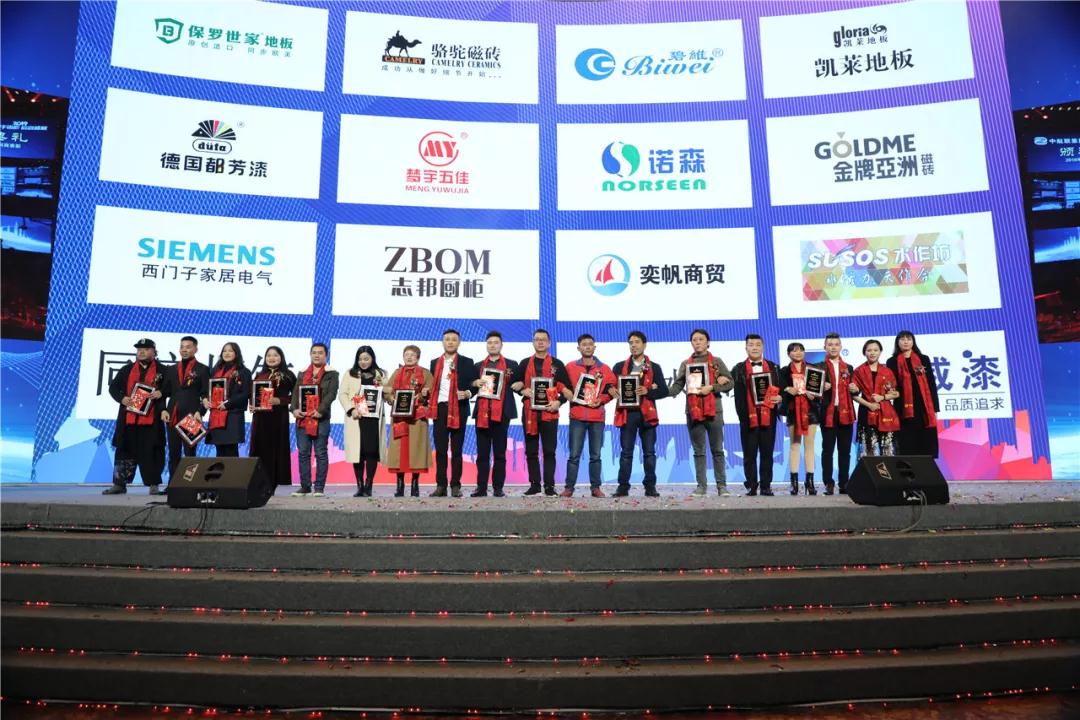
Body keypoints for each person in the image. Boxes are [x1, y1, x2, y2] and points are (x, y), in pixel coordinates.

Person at [669, 329, 733, 496]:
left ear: (708, 342)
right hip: (693, 412)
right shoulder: (686, 364)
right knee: (699, 451)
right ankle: (701, 486)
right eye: (694, 340)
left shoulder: (717, 362)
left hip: (714, 412)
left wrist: (712, 387)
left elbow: (730, 383)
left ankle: (722, 486)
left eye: (701, 339)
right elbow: (677, 386)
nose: (697, 342)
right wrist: (660, 391)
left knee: (717, 450)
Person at [510, 328, 572, 496]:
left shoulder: (557, 364)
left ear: (549, 343)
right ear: (533, 342)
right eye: (537, 339)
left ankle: (549, 486)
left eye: (543, 339)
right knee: (531, 451)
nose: (540, 342)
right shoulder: (525, 363)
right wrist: (522, 390)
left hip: (549, 413)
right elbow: (514, 383)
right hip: (530, 413)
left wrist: (559, 402)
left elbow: (567, 389)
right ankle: (535, 484)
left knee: (549, 451)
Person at [103, 338, 168, 495]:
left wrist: (161, 392)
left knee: (152, 451)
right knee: (124, 450)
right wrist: (122, 398)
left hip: (152, 420)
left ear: (154, 351)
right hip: (128, 419)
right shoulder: (127, 369)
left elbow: (171, 388)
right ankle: (119, 484)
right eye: (139, 349)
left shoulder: (163, 370)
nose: (141, 352)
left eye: (146, 349)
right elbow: (113, 388)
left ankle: (153, 484)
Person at [610, 330, 669, 497]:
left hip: (647, 414)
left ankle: (650, 486)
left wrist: (648, 391)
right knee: (626, 453)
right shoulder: (619, 366)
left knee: (649, 453)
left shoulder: (654, 367)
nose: (633, 345)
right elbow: (609, 384)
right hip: (627, 414)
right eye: (631, 343)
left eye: (637, 342)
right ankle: (623, 487)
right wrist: (610, 389)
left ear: (644, 345)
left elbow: (664, 391)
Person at [561, 334, 616, 498]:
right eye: (584, 344)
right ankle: (569, 488)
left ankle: (596, 488)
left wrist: (602, 400)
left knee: (596, 456)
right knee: (574, 455)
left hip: (596, 417)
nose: (587, 346)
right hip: (577, 416)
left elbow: (612, 390)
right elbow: (560, 383)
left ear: (594, 347)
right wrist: (565, 390)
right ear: (578, 348)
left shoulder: (604, 368)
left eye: (590, 344)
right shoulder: (570, 367)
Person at [428, 329, 478, 498]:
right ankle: (440, 485)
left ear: (459, 342)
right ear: (442, 342)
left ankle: (455, 485)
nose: (450, 342)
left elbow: (475, 384)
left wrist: (468, 393)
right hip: (440, 409)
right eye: (447, 339)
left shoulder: (467, 362)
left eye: (454, 339)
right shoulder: (434, 363)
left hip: (459, 408)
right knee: (440, 450)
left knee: (457, 450)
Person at [731, 334, 782, 497]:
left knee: (767, 453)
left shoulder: (774, 367)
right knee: (749, 454)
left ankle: (766, 486)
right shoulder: (738, 369)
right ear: (746, 347)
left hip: (769, 417)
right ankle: (752, 485)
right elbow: (733, 392)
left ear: (763, 347)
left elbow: (782, 389)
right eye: (751, 344)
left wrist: (781, 398)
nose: (754, 347)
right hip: (748, 418)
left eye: (758, 344)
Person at [471, 331, 518, 497]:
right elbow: (470, 387)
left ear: (501, 345)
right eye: (490, 342)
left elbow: (519, 384)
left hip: (502, 414)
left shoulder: (512, 365)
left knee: (500, 453)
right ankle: (481, 488)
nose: (492, 345)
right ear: (486, 345)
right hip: (482, 414)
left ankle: (498, 488)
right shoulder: (477, 366)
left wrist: (519, 384)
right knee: (482, 454)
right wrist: (474, 383)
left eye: (496, 342)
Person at [384, 345, 434, 497]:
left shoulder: (425, 373)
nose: (409, 357)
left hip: (417, 418)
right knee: (399, 452)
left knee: (416, 451)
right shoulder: (397, 373)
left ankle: (415, 484)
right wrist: (391, 399)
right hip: (399, 417)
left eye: (412, 355)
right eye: (406, 354)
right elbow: (387, 390)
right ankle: (399, 485)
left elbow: (432, 392)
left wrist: (424, 394)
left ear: (418, 357)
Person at [290, 343, 339, 497]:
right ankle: (305, 487)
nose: (317, 355)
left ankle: (319, 487)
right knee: (303, 453)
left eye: (320, 353)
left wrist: (320, 410)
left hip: (321, 419)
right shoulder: (302, 373)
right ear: (310, 354)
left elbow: (331, 394)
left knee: (320, 453)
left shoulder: (332, 374)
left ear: (326, 355)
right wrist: (294, 409)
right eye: (314, 352)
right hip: (303, 418)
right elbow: (295, 394)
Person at [339, 345, 387, 497]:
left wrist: (385, 388)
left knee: (371, 452)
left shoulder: (381, 374)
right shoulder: (350, 373)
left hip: (373, 419)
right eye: (360, 359)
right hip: (357, 417)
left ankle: (369, 484)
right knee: (357, 453)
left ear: (372, 359)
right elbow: (342, 394)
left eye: (366, 359)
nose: (363, 362)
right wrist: (351, 409)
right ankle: (360, 486)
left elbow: (387, 395)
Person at [162, 335, 209, 479]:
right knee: (173, 452)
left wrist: (201, 412)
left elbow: (206, 394)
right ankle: (172, 484)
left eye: (188, 347)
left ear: (195, 349)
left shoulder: (202, 369)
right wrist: (163, 410)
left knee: (190, 452)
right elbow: (163, 392)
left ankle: (189, 483)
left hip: (191, 416)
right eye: (182, 347)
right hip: (173, 415)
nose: (184, 350)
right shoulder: (171, 369)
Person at [248, 345, 295, 490]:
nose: (271, 358)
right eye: (268, 355)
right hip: (260, 419)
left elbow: (296, 397)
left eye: (275, 355)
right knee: (260, 449)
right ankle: (259, 484)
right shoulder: (259, 375)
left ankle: (273, 484)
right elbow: (252, 394)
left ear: (281, 357)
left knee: (276, 449)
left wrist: (280, 400)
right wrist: (252, 405)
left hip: (278, 418)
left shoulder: (288, 375)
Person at [887, 330, 940, 458]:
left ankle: (926, 468)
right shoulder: (892, 361)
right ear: (897, 342)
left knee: (925, 440)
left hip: (923, 405)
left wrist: (935, 408)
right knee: (906, 441)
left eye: (909, 339)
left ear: (913, 342)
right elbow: (891, 384)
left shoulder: (923, 359)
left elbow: (931, 384)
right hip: (903, 406)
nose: (906, 342)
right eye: (902, 339)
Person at [818, 333, 858, 495]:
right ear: (825, 347)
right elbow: (810, 390)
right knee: (827, 450)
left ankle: (844, 482)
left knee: (845, 450)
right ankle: (828, 482)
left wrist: (856, 389)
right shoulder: (818, 367)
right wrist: (821, 387)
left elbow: (855, 390)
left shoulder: (849, 368)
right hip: (827, 412)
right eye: (830, 344)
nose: (833, 347)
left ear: (841, 347)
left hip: (845, 413)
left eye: (836, 344)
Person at [779, 342, 820, 495]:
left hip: (811, 411)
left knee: (809, 446)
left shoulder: (813, 369)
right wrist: (787, 388)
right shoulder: (783, 371)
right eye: (794, 351)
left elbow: (819, 389)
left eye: (801, 350)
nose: (798, 353)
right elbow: (779, 387)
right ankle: (794, 482)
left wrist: (814, 394)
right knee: (795, 445)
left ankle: (810, 481)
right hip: (792, 410)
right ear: (788, 354)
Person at [203, 342, 251, 458]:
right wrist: (205, 400)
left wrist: (227, 404)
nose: (227, 353)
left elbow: (245, 393)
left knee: (231, 451)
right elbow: (207, 390)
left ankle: (233, 471)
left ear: (236, 353)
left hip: (232, 415)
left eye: (230, 351)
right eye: (224, 351)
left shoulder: (244, 371)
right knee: (219, 451)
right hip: (216, 414)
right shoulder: (215, 371)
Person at [853, 339, 900, 458]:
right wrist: (869, 405)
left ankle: (888, 471)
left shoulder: (887, 371)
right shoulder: (858, 371)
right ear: (864, 352)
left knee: (888, 449)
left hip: (886, 413)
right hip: (866, 411)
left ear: (880, 352)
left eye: (875, 350)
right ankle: (870, 471)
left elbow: (895, 393)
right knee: (868, 449)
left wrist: (882, 397)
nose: (872, 353)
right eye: (869, 350)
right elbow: (853, 395)